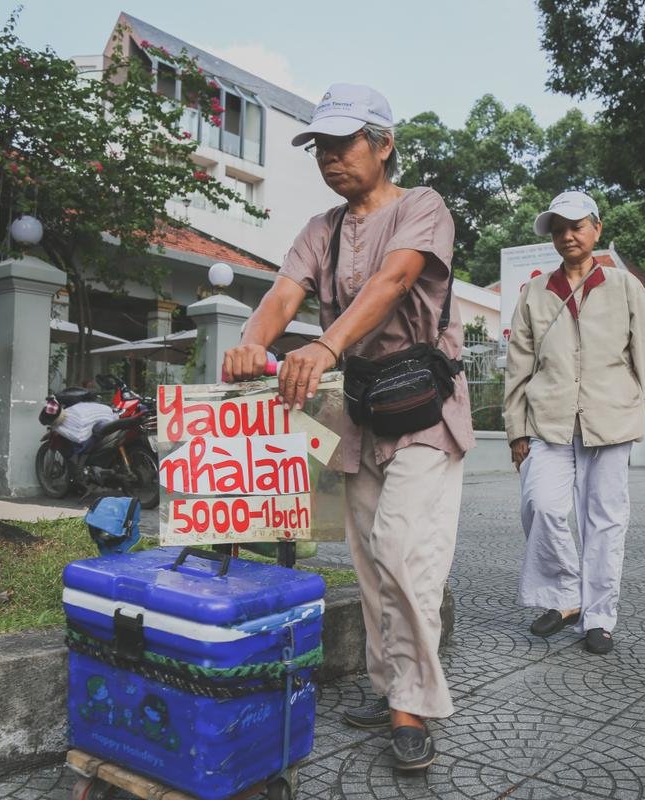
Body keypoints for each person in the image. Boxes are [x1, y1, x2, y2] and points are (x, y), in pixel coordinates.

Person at [220, 84, 471, 772]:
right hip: (358, 414)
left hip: (424, 405)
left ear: (383, 145)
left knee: (401, 551)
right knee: (365, 559)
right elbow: (282, 294)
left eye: (344, 144)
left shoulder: (424, 207)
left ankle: (411, 705)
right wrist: (251, 341)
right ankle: (387, 681)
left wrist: (325, 346)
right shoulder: (320, 230)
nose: (331, 159)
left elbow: (394, 280)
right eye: (321, 147)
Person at [504, 190, 645, 655]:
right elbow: (518, 366)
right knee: (542, 506)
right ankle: (567, 596)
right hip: (548, 420)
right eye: (558, 229)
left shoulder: (624, 286)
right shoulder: (535, 292)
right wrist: (516, 430)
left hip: (608, 419)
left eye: (576, 226)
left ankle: (599, 617)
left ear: (597, 228)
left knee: (605, 521)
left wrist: (634, 405)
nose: (567, 236)